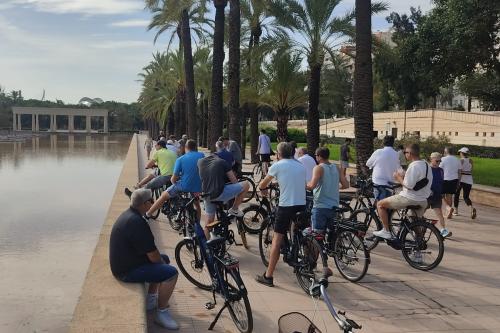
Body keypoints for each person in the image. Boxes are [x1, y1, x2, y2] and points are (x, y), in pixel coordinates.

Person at [109, 189, 179, 330]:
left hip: (124, 263)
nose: (153, 203)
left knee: (163, 259)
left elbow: (154, 256)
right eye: (152, 201)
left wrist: (161, 262)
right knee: (171, 273)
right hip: (126, 271)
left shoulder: (129, 215)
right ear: (146, 203)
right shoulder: (137, 223)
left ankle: (152, 299)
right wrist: (162, 265)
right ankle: (162, 313)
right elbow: (153, 257)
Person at [255, 142, 306, 287]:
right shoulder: (300, 165)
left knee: (276, 240)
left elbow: (262, 184)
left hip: (286, 206)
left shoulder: (277, 165)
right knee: (301, 231)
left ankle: (268, 276)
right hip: (301, 204)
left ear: (279, 154)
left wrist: (263, 189)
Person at [374, 144, 432, 240]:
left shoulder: (413, 165)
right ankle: (419, 241)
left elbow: (408, 185)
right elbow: (418, 180)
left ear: (410, 153)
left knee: (380, 205)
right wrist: (405, 175)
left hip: (409, 198)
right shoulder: (426, 165)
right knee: (413, 221)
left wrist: (398, 177)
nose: (405, 154)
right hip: (423, 200)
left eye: (405, 152)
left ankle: (386, 231)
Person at [146, 140, 205, 220]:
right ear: (196, 148)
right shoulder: (202, 155)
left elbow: (173, 179)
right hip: (199, 187)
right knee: (197, 205)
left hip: (184, 186)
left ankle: (148, 214)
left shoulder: (181, 159)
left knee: (164, 195)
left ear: (185, 148)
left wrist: (175, 183)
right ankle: (197, 223)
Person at [198, 154, 250, 233]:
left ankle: (206, 243)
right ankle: (234, 209)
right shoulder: (222, 162)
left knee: (209, 222)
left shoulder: (200, 162)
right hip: (219, 193)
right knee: (246, 184)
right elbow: (234, 181)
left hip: (206, 195)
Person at [306, 147, 349, 233]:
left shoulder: (318, 168)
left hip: (320, 206)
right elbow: (346, 185)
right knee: (332, 234)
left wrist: (304, 184)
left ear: (319, 156)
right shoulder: (336, 168)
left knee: (317, 236)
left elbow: (312, 186)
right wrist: (333, 187)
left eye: (316, 155)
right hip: (334, 206)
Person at [366, 135, 401, 203]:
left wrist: (374, 164)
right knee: (387, 205)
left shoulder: (379, 152)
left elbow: (368, 163)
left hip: (378, 182)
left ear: (383, 143)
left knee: (380, 205)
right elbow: (398, 168)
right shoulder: (396, 154)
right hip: (390, 183)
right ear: (393, 143)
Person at [429, 152, 451, 238]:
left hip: (437, 195)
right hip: (427, 195)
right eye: (437, 161)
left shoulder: (441, 170)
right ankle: (418, 227)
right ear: (431, 159)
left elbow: (441, 182)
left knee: (439, 214)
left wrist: (441, 193)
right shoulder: (428, 169)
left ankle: (443, 230)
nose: (439, 163)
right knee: (420, 212)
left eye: (440, 161)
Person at [454, 147, 477, 219]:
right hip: (469, 180)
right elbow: (471, 171)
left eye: (460, 153)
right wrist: (466, 172)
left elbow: (459, 171)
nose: (459, 154)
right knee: (466, 197)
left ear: (462, 153)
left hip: (461, 180)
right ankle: (471, 208)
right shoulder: (471, 160)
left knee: (456, 195)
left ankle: (456, 211)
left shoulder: (461, 160)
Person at [440, 147, 461, 218]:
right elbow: (459, 172)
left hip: (444, 180)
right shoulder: (457, 160)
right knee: (449, 196)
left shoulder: (443, 159)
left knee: (441, 195)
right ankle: (449, 214)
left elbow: (440, 170)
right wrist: (458, 182)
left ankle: (448, 208)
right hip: (454, 180)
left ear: (446, 152)